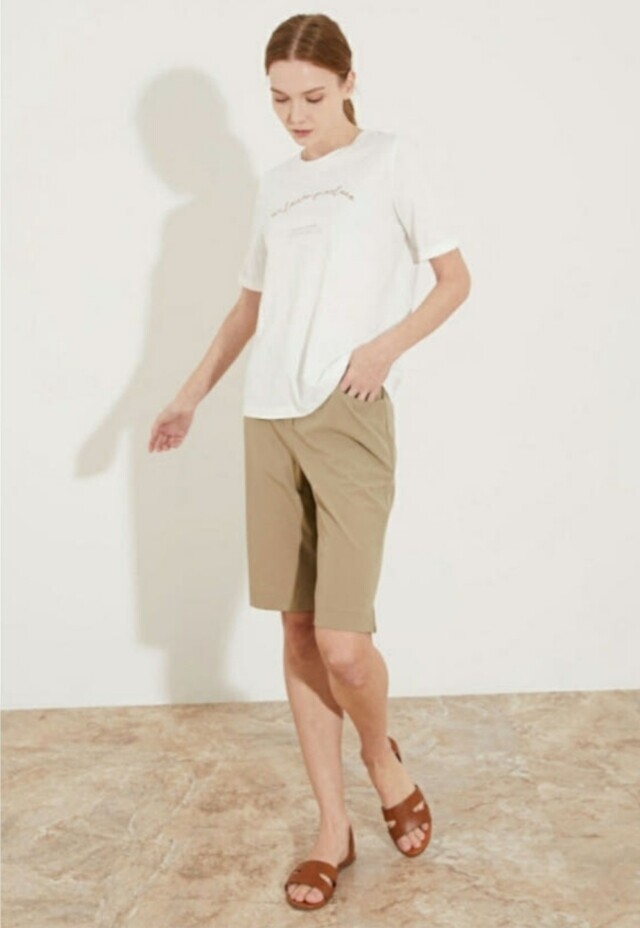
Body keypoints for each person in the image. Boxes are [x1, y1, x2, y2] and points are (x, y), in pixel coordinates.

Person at [148, 12, 471, 913]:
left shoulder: (392, 161)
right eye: (280, 100)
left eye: (313, 98)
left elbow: (454, 279)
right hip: (269, 419)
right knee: (296, 630)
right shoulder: (276, 185)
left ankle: (380, 756)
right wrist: (189, 395)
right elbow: (249, 307)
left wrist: (384, 349)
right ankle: (334, 828)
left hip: (349, 413)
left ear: (349, 82)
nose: (295, 116)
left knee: (345, 645)